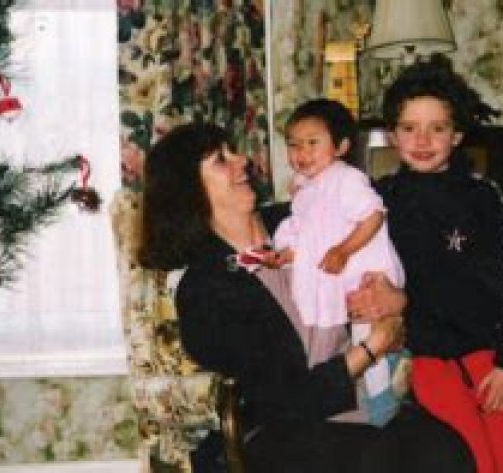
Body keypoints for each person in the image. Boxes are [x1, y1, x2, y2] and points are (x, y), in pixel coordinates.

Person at [139, 121, 475, 472]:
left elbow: (397, 267)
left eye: (233, 152)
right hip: (284, 430)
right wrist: (370, 349)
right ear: (191, 192)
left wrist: (397, 300)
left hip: (366, 405)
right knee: (379, 461)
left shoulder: (306, 216)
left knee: (447, 451)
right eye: (221, 160)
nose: (243, 161)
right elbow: (283, 400)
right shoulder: (205, 289)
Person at [351, 53, 503, 473]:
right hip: (429, 360)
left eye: (437, 128)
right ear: (393, 135)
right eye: (409, 128)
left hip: (493, 353)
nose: (422, 140)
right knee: (469, 460)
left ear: (456, 136)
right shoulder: (378, 200)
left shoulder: (483, 196)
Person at [271, 98, 407, 427]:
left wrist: (344, 250)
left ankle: (382, 397)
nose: (302, 153)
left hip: (369, 269)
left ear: (341, 146)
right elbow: (308, 232)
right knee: (356, 333)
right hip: (345, 273)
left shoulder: (346, 179)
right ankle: (373, 389)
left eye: (312, 143)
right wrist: (288, 253)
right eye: (294, 145)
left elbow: (373, 216)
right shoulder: (307, 187)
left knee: (367, 329)